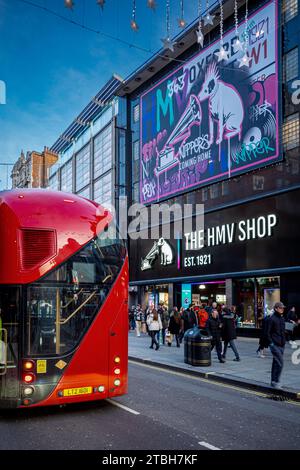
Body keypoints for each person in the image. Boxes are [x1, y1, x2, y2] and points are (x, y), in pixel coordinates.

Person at [267, 302, 286, 389]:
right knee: (280, 363)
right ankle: (277, 381)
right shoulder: (272, 318)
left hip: (282, 345)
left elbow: (282, 331)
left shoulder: (282, 318)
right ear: (276, 308)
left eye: (283, 308)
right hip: (275, 345)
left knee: (275, 363)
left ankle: (273, 381)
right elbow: (267, 333)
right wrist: (271, 343)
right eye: (281, 308)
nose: (282, 309)